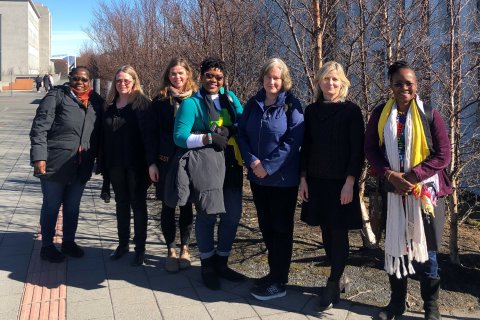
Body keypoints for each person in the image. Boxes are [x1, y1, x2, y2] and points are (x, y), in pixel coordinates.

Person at [364, 61, 452, 320]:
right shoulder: (380, 114)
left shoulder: (429, 113)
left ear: (416, 85)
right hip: (393, 190)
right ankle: (397, 303)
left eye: (409, 83)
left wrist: (412, 177)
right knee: (396, 246)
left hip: (426, 194)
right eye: (398, 83)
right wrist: (390, 175)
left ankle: (431, 307)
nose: (404, 87)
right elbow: (370, 149)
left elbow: (443, 155)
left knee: (429, 251)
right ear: (390, 85)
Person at [171, 57, 245, 289]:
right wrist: (207, 137)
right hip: (206, 165)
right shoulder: (192, 104)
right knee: (207, 215)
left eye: (218, 76)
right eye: (209, 76)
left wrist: (232, 128)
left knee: (232, 216)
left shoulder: (230, 99)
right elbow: (179, 137)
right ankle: (207, 264)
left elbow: (243, 122)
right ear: (201, 77)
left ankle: (222, 262)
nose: (213, 80)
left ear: (224, 79)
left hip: (232, 164)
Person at [298, 61, 364, 310]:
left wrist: (350, 183)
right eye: (326, 79)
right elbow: (305, 146)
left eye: (335, 79)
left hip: (341, 183)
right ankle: (339, 276)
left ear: (343, 83)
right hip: (316, 181)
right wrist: (302, 178)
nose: (331, 83)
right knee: (325, 230)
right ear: (319, 82)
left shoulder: (351, 111)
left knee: (339, 231)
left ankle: (333, 282)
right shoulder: (311, 111)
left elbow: (357, 151)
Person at [237, 58, 304, 300]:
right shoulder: (253, 104)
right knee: (266, 227)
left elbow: (293, 141)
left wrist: (269, 166)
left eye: (276, 77)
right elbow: (241, 133)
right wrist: (252, 161)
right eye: (268, 77)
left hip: (283, 181)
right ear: (263, 78)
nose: (272, 81)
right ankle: (273, 272)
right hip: (258, 179)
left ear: (283, 79)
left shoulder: (292, 106)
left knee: (281, 229)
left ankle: (280, 280)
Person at [30, 66, 104, 263]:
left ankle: (68, 242)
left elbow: (101, 134)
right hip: (55, 163)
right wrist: (39, 157)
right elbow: (39, 128)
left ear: (90, 81)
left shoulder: (96, 101)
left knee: (72, 207)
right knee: (51, 206)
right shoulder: (56, 97)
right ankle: (47, 246)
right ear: (69, 79)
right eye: (75, 79)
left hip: (81, 165)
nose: (79, 83)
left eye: (84, 79)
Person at [144, 58, 197, 272]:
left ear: (188, 75)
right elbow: (150, 135)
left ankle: (185, 248)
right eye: (173, 74)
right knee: (168, 206)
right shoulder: (159, 101)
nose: (177, 77)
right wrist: (152, 163)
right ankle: (171, 250)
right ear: (168, 76)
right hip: (165, 163)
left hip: (189, 162)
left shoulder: (196, 99)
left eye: (181, 73)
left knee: (186, 205)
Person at [102, 65, 151, 266]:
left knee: (138, 205)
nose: (122, 84)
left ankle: (140, 248)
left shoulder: (142, 105)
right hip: (115, 164)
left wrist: (152, 164)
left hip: (136, 166)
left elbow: (149, 138)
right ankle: (123, 244)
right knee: (121, 204)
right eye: (119, 80)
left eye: (126, 80)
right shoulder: (109, 105)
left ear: (134, 82)